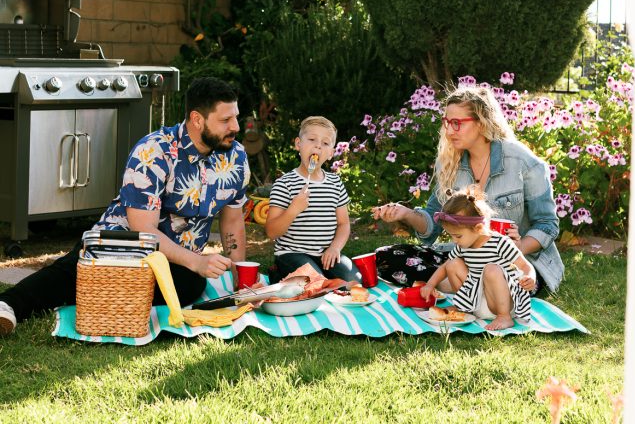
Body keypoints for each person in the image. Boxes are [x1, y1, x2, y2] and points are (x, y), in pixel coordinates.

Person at [0, 77, 249, 336]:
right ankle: (9, 306)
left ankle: (103, 296)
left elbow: (232, 220)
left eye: (235, 117)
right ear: (197, 119)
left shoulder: (237, 157)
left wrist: (241, 282)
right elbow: (143, 229)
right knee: (72, 273)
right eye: (225, 120)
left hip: (178, 265)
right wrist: (197, 261)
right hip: (121, 246)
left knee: (191, 286)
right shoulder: (154, 151)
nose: (235, 127)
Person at [372, 85, 564, 293]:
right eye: (446, 123)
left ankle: (459, 287)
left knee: (503, 278)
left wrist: (514, 250)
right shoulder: (449, 164)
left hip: (517, 262)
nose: (448, 131)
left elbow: (547, 225)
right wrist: (406, 214)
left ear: (481, 124)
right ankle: (471, 288)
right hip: (467, 258)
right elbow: (431, 226)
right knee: (386, 258)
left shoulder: (523, 162)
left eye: (457, 123)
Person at [419, 187, 536, 330]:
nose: (454, 241)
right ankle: (463, 307)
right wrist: (430, 285)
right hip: (477, 303)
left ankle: (504, 317)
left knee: (491, 269)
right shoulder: (463, 245)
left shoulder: (500, 242)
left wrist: (530, 278)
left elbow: (525, 266)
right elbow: (445, 266)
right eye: (452, 236)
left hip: (500, 302)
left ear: (479, 228)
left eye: (458, 236)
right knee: (453, 264)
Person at [265, 115, 359, 283]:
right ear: (298, 144)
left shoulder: (335, 183)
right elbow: (272, 231)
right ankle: (280, 273)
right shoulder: (284, 184)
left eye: (325, 143)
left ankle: (320, 283)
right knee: (315, 283)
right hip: (292, 253)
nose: (318, 145)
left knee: (355, 281)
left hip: (325, 254)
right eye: (312, 139)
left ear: (331, 153)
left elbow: (344, 223)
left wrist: (335, 248)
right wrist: (293, 209)